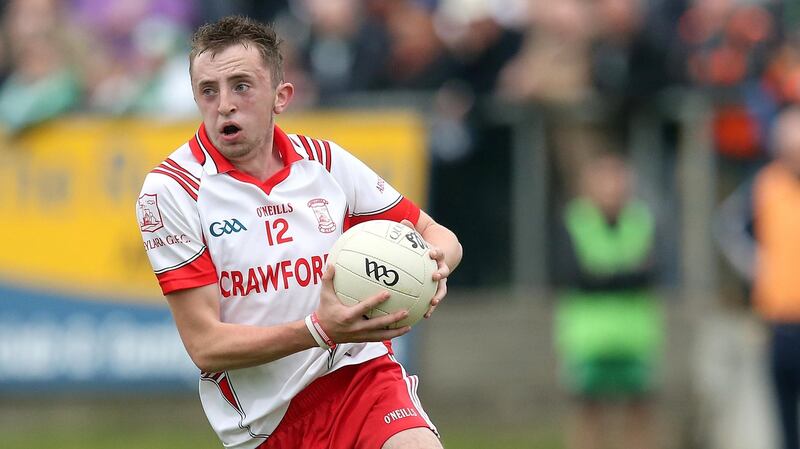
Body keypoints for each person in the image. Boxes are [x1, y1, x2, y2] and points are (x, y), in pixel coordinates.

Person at [135, 16, 462, 449]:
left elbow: (438, 235)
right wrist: (319, 329)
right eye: (208, 91)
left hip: (361, 375)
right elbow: (206, 345)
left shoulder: (324, 162)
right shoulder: (173, 190)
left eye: (242, 85)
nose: (225, 105)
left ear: (281, 96)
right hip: (267, 421)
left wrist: (434, 267)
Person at [552, 152, 662, 449]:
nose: (612, 189)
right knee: (589, 414)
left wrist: (602, 274)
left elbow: (653, 272)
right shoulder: (575, 221)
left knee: (639, 413)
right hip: (588, 339)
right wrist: (625, 272)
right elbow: (574, 276)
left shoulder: (641, 219)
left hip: (634, 337)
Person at [715, 106, 800, 449]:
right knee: (783, 414)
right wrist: (758, 265)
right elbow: (727, 226)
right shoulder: (765, 184)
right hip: (779, 318)